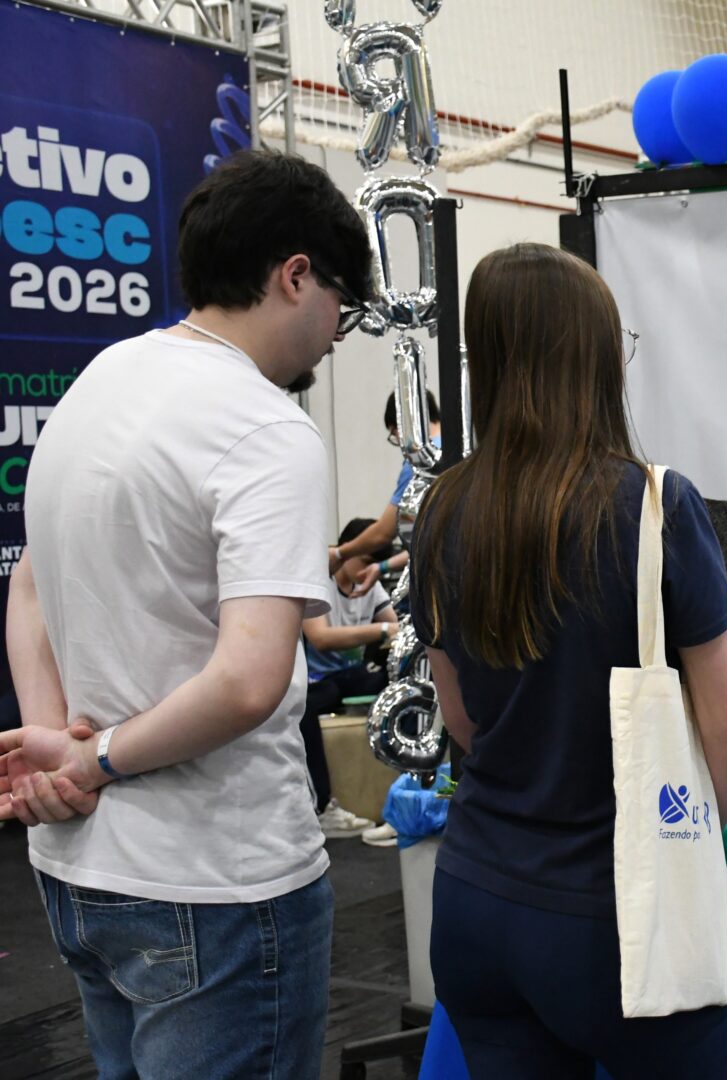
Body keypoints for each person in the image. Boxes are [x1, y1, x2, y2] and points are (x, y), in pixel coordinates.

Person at [0, 150, 373, 1077]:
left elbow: (30, 585)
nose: (338, 333)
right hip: (218, 882)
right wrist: (89, 758)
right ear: (296, 276)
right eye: (344, 304)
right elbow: (248, 682)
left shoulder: (101, 380)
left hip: (81, 869)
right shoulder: (266, 427)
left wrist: (57, 748)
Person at [409, 243, 727, 1077]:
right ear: (596, 357)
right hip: (615, 914)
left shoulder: (443, 509)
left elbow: (460, 717)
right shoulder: (653, 504)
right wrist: (680, 835)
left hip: (475, 902)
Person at [301, 517, 398, 838]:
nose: (367, 572)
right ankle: (323, 806)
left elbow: (397, 627)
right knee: (309, 702)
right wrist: (382, 630)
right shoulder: (318, 581)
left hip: (351, 678)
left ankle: (410, 796)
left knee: (401, 682)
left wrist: (394, 631)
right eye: (365, 561)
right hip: (316, 682)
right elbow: (321, 638)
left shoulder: (369, 584)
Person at [331, 390, 443, 577]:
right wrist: (381, 567)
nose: (400, 444)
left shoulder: (420, 463)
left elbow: (383, 533)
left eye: (395, 435)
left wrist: (340, 553)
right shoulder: (463, 446)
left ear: (403, 424)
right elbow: (431, 543)